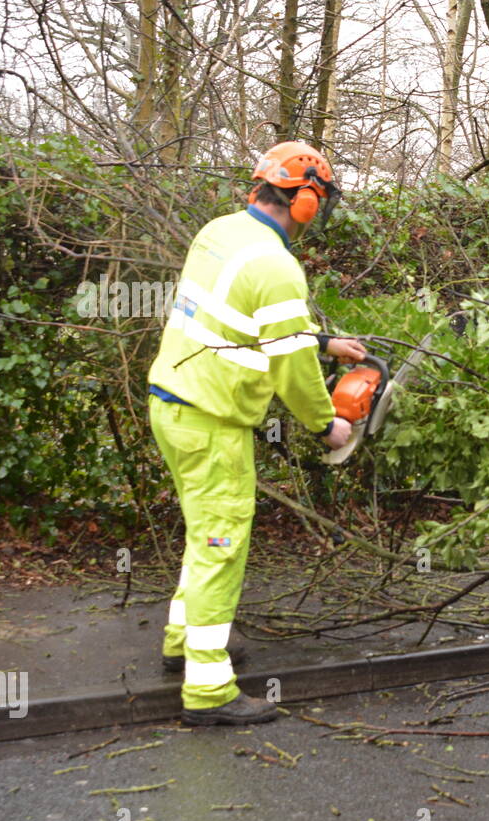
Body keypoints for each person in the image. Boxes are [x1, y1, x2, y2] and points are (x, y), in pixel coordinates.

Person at [146, 141, 365, 725]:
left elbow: (238, 317)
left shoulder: (219, 232)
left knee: (203, 530)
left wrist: (322, 342)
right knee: (221, 545)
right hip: (211, 420)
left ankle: (180, 639)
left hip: (170, 404)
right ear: (306, 201)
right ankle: (209, 690)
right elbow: (290, 370)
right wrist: (328, 427)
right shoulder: (277, 266)